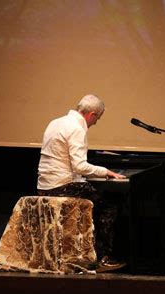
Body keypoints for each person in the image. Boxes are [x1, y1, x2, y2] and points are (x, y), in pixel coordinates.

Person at [37, 94, 126, 271]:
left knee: (95, 195)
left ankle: (82, 253)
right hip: (62, 186)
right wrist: (105, 172)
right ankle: (102, 258)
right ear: (92, 114)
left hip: (44, 186)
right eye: (97, 119)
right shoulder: (77, 128)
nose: (95, 123)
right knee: (109, 206)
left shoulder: (55, 122)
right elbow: (79, 166)